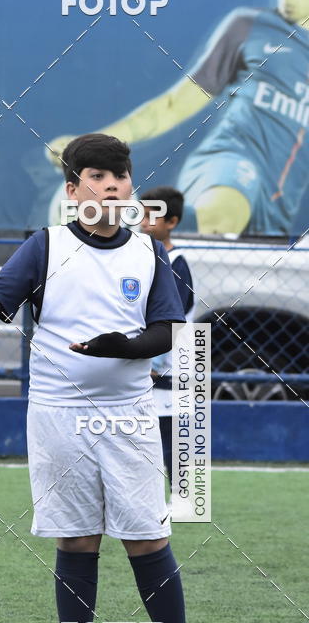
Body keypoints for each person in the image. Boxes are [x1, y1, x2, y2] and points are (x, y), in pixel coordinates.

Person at [0, 134, 206, 623]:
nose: (114, 185)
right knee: (76, 539)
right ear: (73, 191)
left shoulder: (150, 252)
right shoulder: (44, 246)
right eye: (99, 176)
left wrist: (125, 345)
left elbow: (168, 329)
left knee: (146, 536)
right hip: (57, 414)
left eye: (121, 176)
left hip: (129, 414)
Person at [47, 0, 309, 236]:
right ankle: (121, 218)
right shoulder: (251, 26)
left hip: (280, 205)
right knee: (222, 219)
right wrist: (89, 148)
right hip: (231, 158)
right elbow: (172, 106)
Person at [140, 187, 195, 486]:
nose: (144, 222)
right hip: (145, 367)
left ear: (171, 222)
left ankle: (177, 512)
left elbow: (174, 320)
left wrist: (156, 365)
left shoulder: (177, 262)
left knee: (173, 444)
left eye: (152, 216)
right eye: (141, 214)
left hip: (169, 369)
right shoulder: (136, 259)